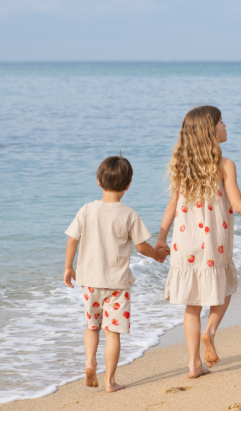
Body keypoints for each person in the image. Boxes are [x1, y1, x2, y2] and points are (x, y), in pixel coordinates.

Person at [156, 106, 241, 378]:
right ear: (210, 130)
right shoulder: (225, 165)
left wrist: (161, 239)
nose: (225, 126)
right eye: (221, 122)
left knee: (191, 306)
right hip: (213, 243)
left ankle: (194, 364)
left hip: (185, 244)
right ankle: (211, 331)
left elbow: (171, 206)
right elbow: (239, 206)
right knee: (226, 289)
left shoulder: (182, 166)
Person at [63, 155, 169, 392]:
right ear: (128, 185)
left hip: (90, 281)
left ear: (98, 182)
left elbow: (72, 240)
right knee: (113, 333)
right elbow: (142, 247)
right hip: (117, 285)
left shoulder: (87, 210)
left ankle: (90, 361)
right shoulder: (129, 214)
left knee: (92, 327)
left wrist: (69, 267)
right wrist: (158, 254)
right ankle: (110, 382)